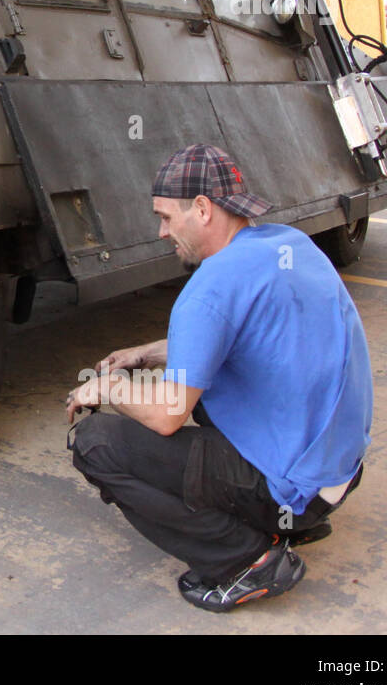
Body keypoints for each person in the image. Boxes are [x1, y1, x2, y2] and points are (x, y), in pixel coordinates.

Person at [64, 143, 371, 612]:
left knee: (94, 442)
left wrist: (108, 387)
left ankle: (243, 560)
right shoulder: (289, 244)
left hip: (295, 490)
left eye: (166, 217)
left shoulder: (207, 290)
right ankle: (292, 525)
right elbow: (246, 335)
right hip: (338, 474)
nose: (161, 231)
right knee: (207, 387)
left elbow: (168, 417)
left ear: (203, 209)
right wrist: (146, 353)